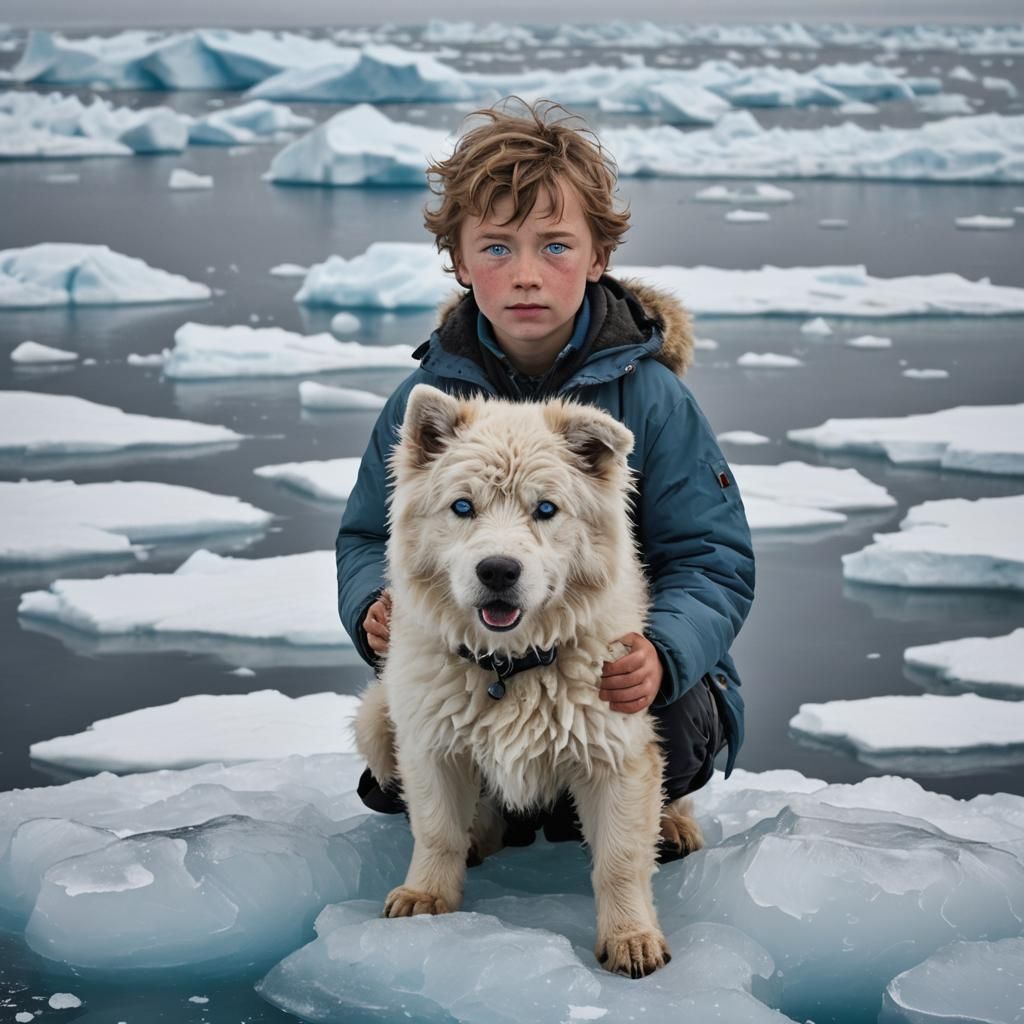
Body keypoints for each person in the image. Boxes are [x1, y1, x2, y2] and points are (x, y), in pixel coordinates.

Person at [336, 98, 754, 855]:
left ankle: (647, 798)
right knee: (398, 755)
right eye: (497, 248)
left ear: (598, 258)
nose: (526, 275)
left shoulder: (650, 398)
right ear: (460, 262)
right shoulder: (426, 402)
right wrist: (371, 601)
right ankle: (489, 812)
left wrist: (664, 652)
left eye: (555, 246)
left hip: (604, 666)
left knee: (665, 728)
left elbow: (710, 556)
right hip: (471, 663)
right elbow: (368, 533)